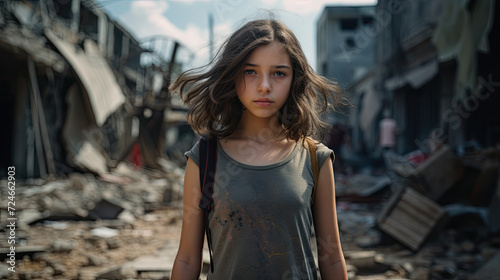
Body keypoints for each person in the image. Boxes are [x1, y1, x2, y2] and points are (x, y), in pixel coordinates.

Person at [170, 19, 348, 280]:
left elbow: (331, 258)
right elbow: (187, 259)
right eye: (250, 71)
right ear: (232, 75)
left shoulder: (315, 158)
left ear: (294, 80)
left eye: (279, 73)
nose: (264, 85)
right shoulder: (206, 158)